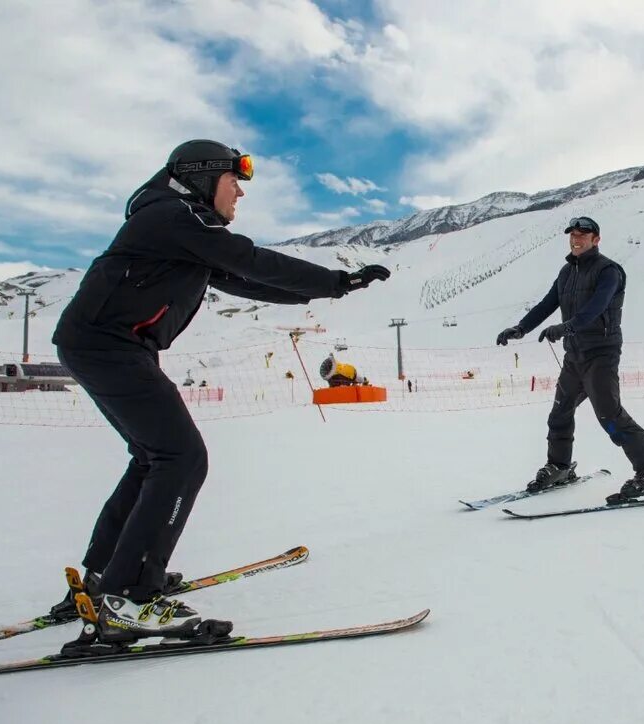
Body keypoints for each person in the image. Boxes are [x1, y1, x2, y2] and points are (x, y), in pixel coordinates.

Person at [51, 140, 390, 647]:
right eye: (235, 183)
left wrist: (338, 287)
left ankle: (107, 577)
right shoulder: (173, 217)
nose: (240, 195)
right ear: (203, 178)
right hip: (109, 347)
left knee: (154, 457)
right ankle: (127, 598)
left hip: (107, 346)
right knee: (181, 458)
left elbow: (245, 279)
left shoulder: (177, 227)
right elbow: (248, 257)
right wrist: (335, 279)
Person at [496, 216, 644, 504]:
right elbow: (547, 303)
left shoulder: (609, 271)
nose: (576, 239)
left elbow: (596, 307)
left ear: (596, 239)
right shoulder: (567, 272)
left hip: (601, 353)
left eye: (583, 235)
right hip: (574, 355)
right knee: (560, 413)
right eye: (573, 235)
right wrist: (521, 328)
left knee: (610, 416)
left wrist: (565, 327)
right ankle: (560, 467)